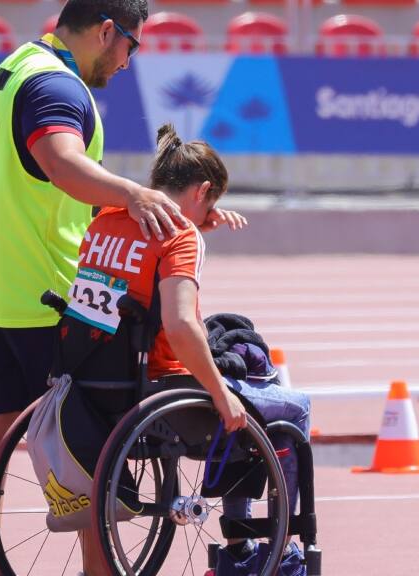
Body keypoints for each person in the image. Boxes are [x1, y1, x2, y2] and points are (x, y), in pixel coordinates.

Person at [0, 0, 191, 498]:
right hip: (50, 294)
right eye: (131, 44)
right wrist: (132, 193)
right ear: (106, 32)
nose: (128, 61)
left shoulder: (16, 65)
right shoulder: (55, 84)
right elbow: (62, 163)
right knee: (85, 439)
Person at [66, 123, 310, 575]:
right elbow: (179, 327)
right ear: (202, 190)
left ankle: (243, 545)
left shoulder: (106, 220)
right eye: (210, 202)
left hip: (95, 384)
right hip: (161, 392)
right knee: (290, 409)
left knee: (237, 360)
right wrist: (220, 393)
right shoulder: (180, 234)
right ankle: (258, 551)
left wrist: (200, 222)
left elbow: (138, 275)